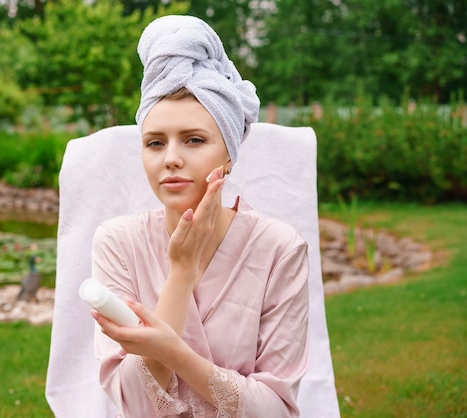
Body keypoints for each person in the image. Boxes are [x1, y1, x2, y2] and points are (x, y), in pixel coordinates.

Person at [88, 15, 310, 417]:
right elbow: (134, 405)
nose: (171, 158)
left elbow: (276, 411)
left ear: (228, 154)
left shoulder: (280, 249)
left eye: (194, 140)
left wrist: (172, 353)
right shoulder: (118, 243)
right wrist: (181, 271)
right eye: (155, 143)